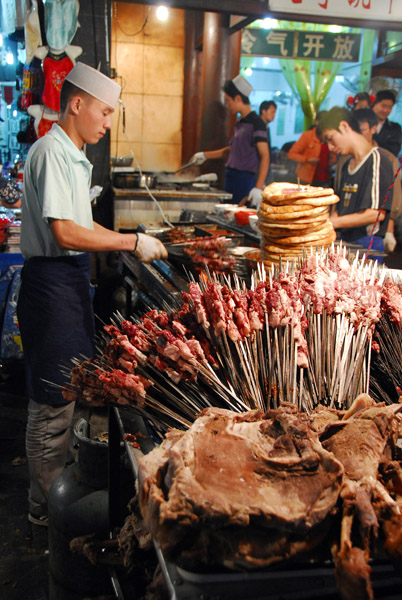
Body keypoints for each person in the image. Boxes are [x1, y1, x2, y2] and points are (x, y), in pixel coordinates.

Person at [17, 62, 167, 526]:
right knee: (53, 401)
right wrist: (129, 243)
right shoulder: (52, 153)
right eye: (104, 113)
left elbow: (84, 225)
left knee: (69, 390)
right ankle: (48, 508)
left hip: (69, 284)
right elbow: (65, 233)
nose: (107, 122)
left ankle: (54, 492)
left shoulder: (72, 155)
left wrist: (130, 238)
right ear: (77, 104)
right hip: (52, 285)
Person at [318, 106, 393, 254]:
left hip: (366, 243)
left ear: (344, 126)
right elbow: (339, 209)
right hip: (343, 240)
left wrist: (330, 222)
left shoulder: (377, 159)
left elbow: (376, 213)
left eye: (331, 139)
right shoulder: (346, 165)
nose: (331, 147)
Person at [190, 75, 269, 207]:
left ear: (238, 98)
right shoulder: (240, 122)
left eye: (228, 100)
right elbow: (232, 150)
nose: (228, 105)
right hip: (231, 177)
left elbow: (265, 155)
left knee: (237, 218)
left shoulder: (256, 123)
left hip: (244, 179)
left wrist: (258, 187)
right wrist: (205, 155)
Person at [354, 107, 402, 253]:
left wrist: (389, 230)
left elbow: (393, 196)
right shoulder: (346, 161)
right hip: (345, 232)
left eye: (362, 130)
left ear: (373, 129)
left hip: (371, 232)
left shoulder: (387, 158)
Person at [287, 111, 335, 187]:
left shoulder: (329, 137)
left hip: (325, 179)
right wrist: (307, 159)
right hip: (306, 179)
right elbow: (291, 154)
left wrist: (332, 160)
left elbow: (333, 156)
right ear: (317, 122)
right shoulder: (307, 136)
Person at [372, 89, 402, 157]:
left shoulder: (395, 128)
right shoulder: (364, 123)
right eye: (383, 106)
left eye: (390, 107)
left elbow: (393, 151)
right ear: (374, 104)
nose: (386, 110)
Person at [259, 100, 277, 184]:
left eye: (275, 112)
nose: (274, 115)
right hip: (259, 165)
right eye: (272, 112)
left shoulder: (266, 127)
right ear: (263, 111)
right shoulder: (258, 127)